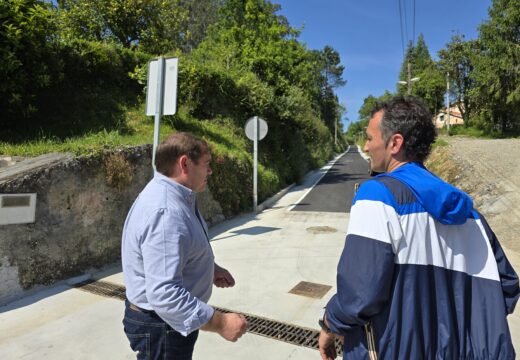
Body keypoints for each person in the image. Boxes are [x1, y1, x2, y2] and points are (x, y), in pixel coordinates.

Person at [318, 96, 520, 359]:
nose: (366, 147)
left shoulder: (377, 196)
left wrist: (329, 324)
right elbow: (506, 285)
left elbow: (360, 294)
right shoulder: (471, 215)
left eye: (370, 138)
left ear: (395, 143)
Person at [121, 132, 248, 360]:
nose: (210, 171)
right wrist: (220, 322)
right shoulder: (166, 212)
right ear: (185, 163)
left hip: (166, 323)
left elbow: (177, 250)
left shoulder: (174, 195)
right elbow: (164, 294)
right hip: (162, 327)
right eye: (206, 164)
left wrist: (210, 268)